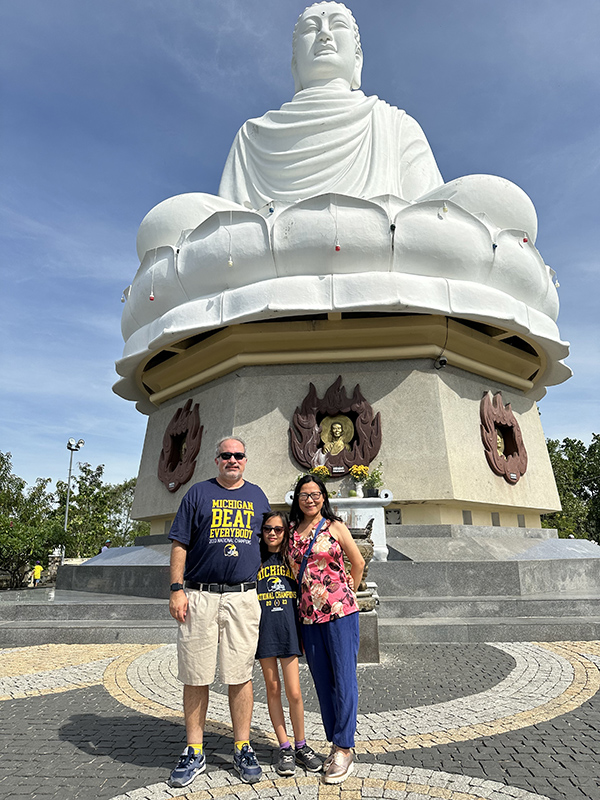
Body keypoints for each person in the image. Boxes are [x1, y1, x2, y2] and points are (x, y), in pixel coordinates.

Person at [167, 436, 270, 788]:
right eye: (226, 455)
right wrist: (176, 589)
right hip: (200, 596)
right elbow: (180, 542)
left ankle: (242, 746)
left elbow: (270, 542)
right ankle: (194, 750)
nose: (232, 460)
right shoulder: (197, 494)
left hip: (242, 598)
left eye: (238, 455)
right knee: (196, 675)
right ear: (216, 460)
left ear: (245, 460)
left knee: (240, 675)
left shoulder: (257, 496)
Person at [288, 474, 365, 784]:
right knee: (323, 683)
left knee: (344, 679)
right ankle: (334, 740)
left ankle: (345, 747)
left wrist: (346, 594)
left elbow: (357, 562)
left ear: (323, 497)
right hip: (308, 617)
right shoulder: (292, 533)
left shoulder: (335, 527)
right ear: (297, 498)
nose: (310, 499)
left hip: (340, 613)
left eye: (316, 494)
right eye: (304, 494)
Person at [256, 511, 323, 776]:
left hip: (288, 631)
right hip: (264, 632)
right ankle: (284, 747)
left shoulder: (292, 559)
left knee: (294, 692)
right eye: (267, 529)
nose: (272, 533)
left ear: (286, 532)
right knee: (273, 690)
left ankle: (301, 744)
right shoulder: (255, 560)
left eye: (278, 529)